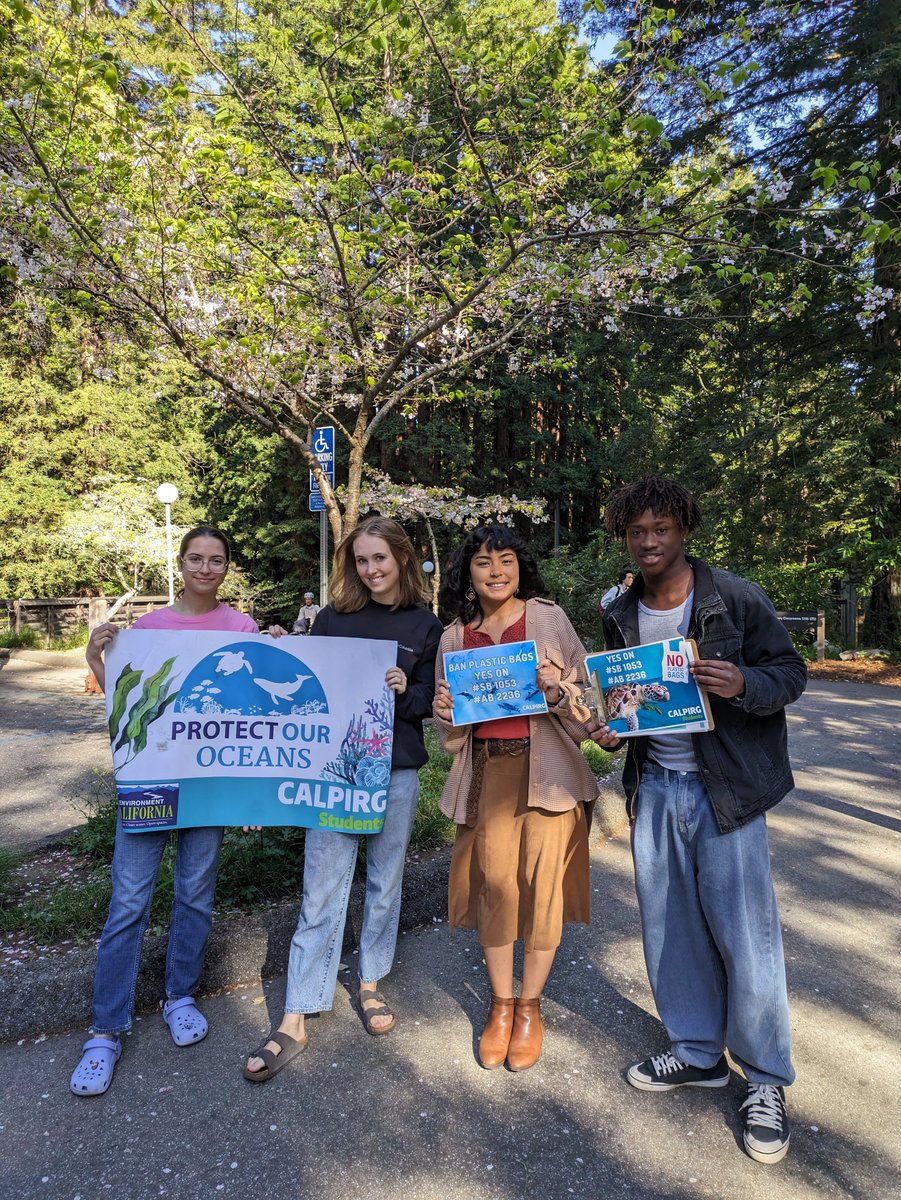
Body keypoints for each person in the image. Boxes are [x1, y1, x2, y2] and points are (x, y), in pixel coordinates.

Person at [591, 476, 806, 1164]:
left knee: (747, 938)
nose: (649, 542)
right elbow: (625, 695)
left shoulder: (732, 597)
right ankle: (695, 1052)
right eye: (636, 532)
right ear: (624, 537)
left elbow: (788, 671)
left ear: (684, 530)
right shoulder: (619, 608)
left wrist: (745, 684)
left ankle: (766, 1080)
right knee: (670, 930)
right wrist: (615, 729)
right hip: (654, 788)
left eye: (661, 529)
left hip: (727, 792)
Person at [244, 516, 442, 1081]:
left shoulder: (425, 624)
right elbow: (306, 683)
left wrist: (408, 692)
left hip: (397, 771)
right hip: (336, 772)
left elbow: (432, 698)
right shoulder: (332, 619)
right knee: (322, 884)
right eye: (361, 560)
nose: (371, 569)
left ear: (402, 558)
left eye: (380, 558)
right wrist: (281, 650)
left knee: (385, 880)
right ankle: (296, 1011)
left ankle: (371, 981)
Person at [70, 525, 258, 1096]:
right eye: (196, 558)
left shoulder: (241, 628)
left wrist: (253, 792)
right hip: (151, 785)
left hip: (209, 787)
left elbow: (256, 718)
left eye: (216, 559)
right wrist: (94, 656)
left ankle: (180, 996)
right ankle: (105, 1031)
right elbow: (124, 706)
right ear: (181, 563)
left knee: (195, 894)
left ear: (227, 566)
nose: (206, 568)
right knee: (129, 901)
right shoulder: (147, 629)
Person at [433, 525, 598, 1072]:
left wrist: (560, 692)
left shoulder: (548, 618)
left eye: (506, 560)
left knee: (544, 889)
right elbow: (451, 734)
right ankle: (501, 1007)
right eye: (484, 562)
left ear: (521, 566)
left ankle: (531, 1007)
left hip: (547, 773)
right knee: (497, 890)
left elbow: (586, 699)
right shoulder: (456, 636)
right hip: (489, 777)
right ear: (468, 573)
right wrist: (446, 714)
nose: (496, 571)